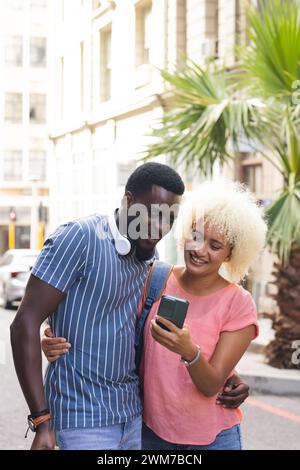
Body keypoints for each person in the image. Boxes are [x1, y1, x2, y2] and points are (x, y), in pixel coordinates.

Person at [41, 178, 256, 450]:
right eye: (197, 236)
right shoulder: (154, 276)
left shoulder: (239, 302)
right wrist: (54, 335)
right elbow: (112, 321)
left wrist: (191, 352)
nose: (200, 250)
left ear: (230, 254)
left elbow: (211, 384)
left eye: (215, 246)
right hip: (152, 433)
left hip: (214, 439)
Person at [10, 162, 184, 451]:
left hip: (131, 419)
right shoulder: (79, 237)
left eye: (169, 218)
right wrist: (41, 421)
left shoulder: (149, 262)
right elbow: (23, 324)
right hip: (82, 422)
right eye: (152, 214)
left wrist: (228, 372)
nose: (160, 227)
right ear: (128, 201)